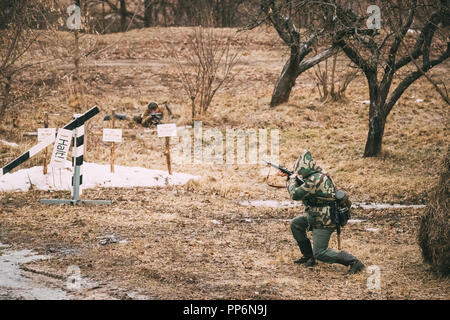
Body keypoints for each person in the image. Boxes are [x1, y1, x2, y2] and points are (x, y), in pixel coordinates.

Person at [284, 150, 365, 275]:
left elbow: (295, 194)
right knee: (296, 224)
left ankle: (354, 262)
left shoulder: (315, 179)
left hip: (325, 220)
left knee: (320, 252)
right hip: (315, 215)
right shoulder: (317, 175)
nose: (300, 173)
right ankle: (309, 256)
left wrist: (290, 180)